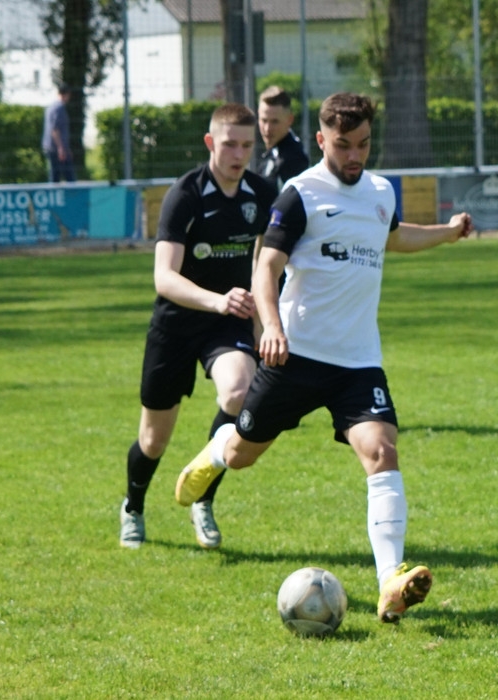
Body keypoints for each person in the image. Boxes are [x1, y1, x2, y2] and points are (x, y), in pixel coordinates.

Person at [174, 92, 473, 622]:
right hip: (295, 357)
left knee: (381, 451)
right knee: (244, 454)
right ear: (320, 140)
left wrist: (447, 233)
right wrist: (272, 328)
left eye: (363, 144)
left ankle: (390, 582)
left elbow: (392, 236)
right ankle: (216, 452)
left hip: (358, 362)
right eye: (343, 145)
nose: (355, 155)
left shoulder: (380, 191)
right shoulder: (300, 194)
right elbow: (266, 269)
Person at [119, 103, 277, 550]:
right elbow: (164, 278)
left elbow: (270, 262)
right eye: (229, 144)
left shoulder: (262, 194)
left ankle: (203, 497)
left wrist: (265, 322)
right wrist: (217, 300)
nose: (239, 154)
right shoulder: (185, 194)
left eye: (247, 145)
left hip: (226, 325)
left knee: (239, 393)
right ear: (210, 143)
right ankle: (133, 507)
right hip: (175, 325)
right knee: (153, 440)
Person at [250, 85, 310, 191]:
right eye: (264, 120)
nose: (267, 129)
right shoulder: (274, 152)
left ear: (290, 120)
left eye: (275, 122)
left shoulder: (293, 159)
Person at [41, 82, 76, 183]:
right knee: (68, 177)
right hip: (57, 148)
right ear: (67, 94)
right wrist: (61, 148)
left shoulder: (51, 107)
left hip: (51, 147)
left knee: (55, 176)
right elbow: (55, 129)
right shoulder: (59, 108)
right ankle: (74, 194)